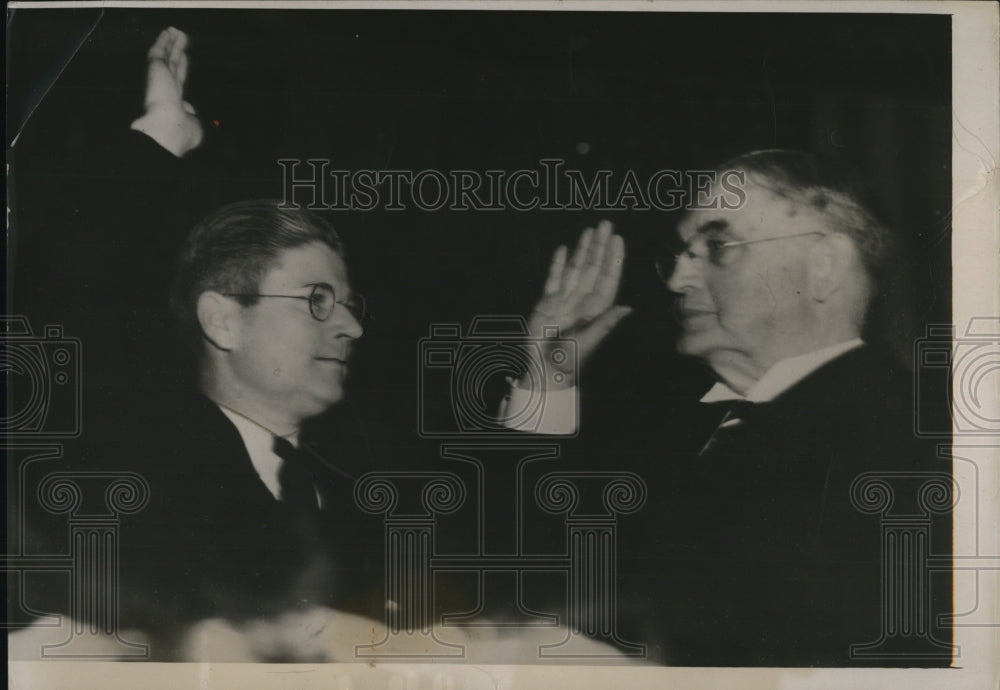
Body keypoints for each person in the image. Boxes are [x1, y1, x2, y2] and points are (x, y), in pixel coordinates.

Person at [517, 150, 952, 666]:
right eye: (682, 252)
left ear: (824, 267)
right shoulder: (666, 419)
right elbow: (514, 576)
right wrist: (547, 382)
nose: (677, 280)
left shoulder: (918, 448)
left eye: (718, 246)